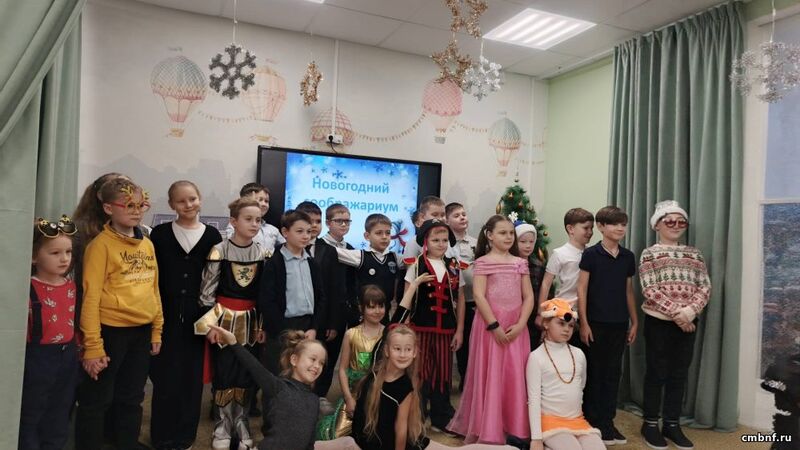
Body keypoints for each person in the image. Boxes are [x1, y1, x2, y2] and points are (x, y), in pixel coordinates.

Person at [75, 179, 163, 450]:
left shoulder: (147, 244)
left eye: (140, 205)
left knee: (132, 396)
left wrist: (156, 329)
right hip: (111, 331)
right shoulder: (99, 246)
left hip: (141, 330)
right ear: (108, 208)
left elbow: (153, 289)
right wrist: (93, 346)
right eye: (128, 205)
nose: (136, 211)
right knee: (97, 398)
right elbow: (90, 298)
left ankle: (126, 442)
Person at [338, 324, 515, 450]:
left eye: (408, 349)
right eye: (397, 349)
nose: (402, 354)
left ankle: (508, 449)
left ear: (415, 352)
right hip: (368, 440)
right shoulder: (374, 374)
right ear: (386, 351)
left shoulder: (406, 387)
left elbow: (401, 428)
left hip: (398, 443)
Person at [148, 180, 223, 450]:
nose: (188, 205)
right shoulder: (159, 234)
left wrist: (211, 319)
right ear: (171, 205)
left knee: (191, 379)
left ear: (199, 198)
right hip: (165, 313)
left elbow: (214, 281)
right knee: (165, 377)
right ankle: (162, 436)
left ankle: (185, 436)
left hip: (198, 315)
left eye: (192, 199)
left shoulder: (213, 236)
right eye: (181, 201)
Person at [448, 215, 534, 446]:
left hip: (516, 326)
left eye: (511, 233)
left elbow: (528, 297)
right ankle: (488, 427)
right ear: (489, 235)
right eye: (503, 233)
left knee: (514, 374)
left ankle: (514, 426)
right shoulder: (483, 262)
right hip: (489, 326)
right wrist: (494, 325)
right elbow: (478, 295)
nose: (508, 237)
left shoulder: (520, 263)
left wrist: (521, 324)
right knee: (491, 374)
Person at [194, 197, 268, 449]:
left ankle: (241, 421)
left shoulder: (262, 252)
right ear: (234, 221)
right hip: (223, 320)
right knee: (224, 373)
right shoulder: (219, 250)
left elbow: (263, 294)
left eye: (258, 220)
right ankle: (222, 425)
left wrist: (261, 325)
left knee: (246, 373)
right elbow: (206, 293)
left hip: (251, 322)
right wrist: (211, 327)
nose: (254, 224)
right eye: (248, 219)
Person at [639, 200, 710, 450]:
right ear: (657, 225)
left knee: (679, 374)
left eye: (681, 222)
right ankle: (650, 423)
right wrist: (677, 315)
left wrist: (689, 312)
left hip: (688, 322)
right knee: (656, 372)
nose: (676, 225)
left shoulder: (695, 254)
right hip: (659, 323)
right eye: (670, 221)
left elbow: (705, 286)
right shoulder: (649, 253)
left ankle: (671, 423)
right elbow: (650, 289)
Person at [206, 325, 329, 450]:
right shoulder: (278, 387)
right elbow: (253, 366)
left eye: (321, 363)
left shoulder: (314, 401)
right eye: (313, 359)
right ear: (294, 360)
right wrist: (233, 342)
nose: (317, 366)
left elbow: (309, 443)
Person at [394, 219, 465, 433]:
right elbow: (407, 295)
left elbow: (460, 299)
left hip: (446, 330)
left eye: (444, 240)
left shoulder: (454, 266)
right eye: (436, 240)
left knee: (443, 373)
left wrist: (460, 330)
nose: (441, 244)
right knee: (419, 373)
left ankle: (441, 418)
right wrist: (405, 328)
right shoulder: (416, 265)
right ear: (426, 241)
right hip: (420, 329)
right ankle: (417, 417)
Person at [577, 206, 637, 446]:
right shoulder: (591, 255)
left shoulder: (628, 257)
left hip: (619, 323)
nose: (620, 228)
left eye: (623, 224)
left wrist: (634, 321)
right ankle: (592, 423)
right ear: (601, 226)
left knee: (613, 374)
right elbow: (582, 289)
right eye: (614, 224)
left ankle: (608, 422)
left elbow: (628, 291)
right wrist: (584, 322)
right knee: (595, 373)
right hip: (595, 323)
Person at [19, 215, 79, 450]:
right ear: (34, 256)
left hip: (68, 356)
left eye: (68, 252)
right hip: (38, 358)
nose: (64, 258)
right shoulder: (27, 288)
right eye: (55, 253)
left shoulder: (71, 286)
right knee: (32, 412)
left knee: (61, 410)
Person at [526, 299, 603, 450]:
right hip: (551, 422)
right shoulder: (536, 357)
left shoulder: (578, 354)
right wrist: (536, 438)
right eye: (561, 323)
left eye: (571, 325)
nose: (566, 329)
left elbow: (581, 386)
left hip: (577, 420)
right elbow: (533, 399)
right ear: (546, 323)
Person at [260, 210, 328, 376]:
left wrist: (314, 327)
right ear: (285, 232)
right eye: (299, 231)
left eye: (308, 232)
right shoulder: (275, 263)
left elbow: (321, 297)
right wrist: (283, 331)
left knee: (303, 375)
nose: (305, 236)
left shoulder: (311, 263)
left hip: (307, 327)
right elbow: (267, 300)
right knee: (279, 374)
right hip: (283, 328)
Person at [316, 285, 386, 440]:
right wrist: (348, 398)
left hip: (378, 395)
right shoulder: (351, 334)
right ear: (361, 308)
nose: (377, 311)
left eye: (381, 306)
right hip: (354, 394)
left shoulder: (387, 334)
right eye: (371, 307)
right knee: (337, 435)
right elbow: (342, 369)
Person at [296, 201, 347, 408]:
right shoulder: (286, 249)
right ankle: (295, 396)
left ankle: (319, 395)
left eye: (317, 221)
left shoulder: (329, 251)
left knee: (324, 356)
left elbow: (336, 289)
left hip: (324, 317)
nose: (314, 226)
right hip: (297, 316)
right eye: (309, 221)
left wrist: (334, 323)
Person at [334, 213, 401, 323]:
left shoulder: (395, 257)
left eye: (388, 233)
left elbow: (416, 261)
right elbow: (333, 252)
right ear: (367, 236)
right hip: (363, 315)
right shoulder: (360, 256)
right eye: (379, 233)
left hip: (384, 315)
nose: (384, 237)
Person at [445, 202, 478, 391]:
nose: (462, 217)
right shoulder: (445, 244)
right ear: (447, 220)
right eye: (456, 215)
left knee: (467, 344)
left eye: (464, 214)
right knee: (449, 344)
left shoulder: (476, 243)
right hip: (450, 302)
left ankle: (467, 382)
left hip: (472, 302)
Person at [538, 208, 594, 312]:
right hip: (564, 307)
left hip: (587, 308)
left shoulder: (592, 253)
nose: (590, 232)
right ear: (570, 229)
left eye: (592, 228)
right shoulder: (559, 253)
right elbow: (546, 283)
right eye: (586, 228)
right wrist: (540, 312)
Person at [225, 182, 284, 254]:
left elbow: (286, 247)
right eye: (260, 200)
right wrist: (250, 205)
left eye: (266, 201)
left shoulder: (273, 230)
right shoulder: (235, 225)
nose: (264, 204)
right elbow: (234, 245)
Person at [515, 221, 545, 348]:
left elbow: (544, 292)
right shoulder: (508, 265)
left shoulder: (538, 266)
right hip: (513, 317)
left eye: (531, 242)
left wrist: (541, 314)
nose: (528, 246)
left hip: (533, 318)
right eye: (523, 242)